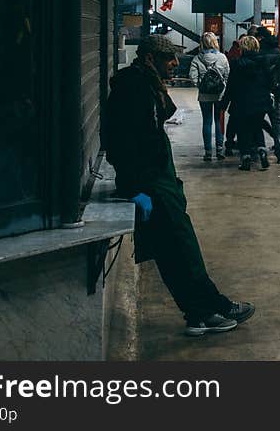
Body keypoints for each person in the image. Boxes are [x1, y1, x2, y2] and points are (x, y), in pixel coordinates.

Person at [102, 34, 254, 336]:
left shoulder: (146, 84)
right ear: (149, 59)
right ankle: (212, 306)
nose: (174, 63)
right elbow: (119, 143)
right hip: (150, 185)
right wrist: (136, 189)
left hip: (160, 181)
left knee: (171, 250)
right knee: (182, 248)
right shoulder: (133, 89)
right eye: (168, 58)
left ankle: (198, 313)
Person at [224, 35, 272, 171]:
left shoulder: (236, 64)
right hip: (260, 102)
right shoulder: (264, 63)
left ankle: (245, 157)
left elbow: (231, 86)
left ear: (242, 48)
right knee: (257, 126)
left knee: (242, 129)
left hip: (241, 102)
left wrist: (224, 103)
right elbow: (269, 83)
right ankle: (262, 150)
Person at [189, 32, 230, 161]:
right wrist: (222, 86)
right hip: (219, 94)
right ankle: (219, 150)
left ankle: (207, 152)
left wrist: (200, 85)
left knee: (207, 121)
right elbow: (227, 74)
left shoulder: (197, 58)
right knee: (218, 121)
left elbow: (192, 76)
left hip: (204, 95)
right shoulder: (222, 57)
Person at [256, 26, 280, 164]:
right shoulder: (279, 53)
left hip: (261, 93)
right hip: (276, 93)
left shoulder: (259, 54)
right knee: (277, 122)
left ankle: (259, 148)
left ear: (261, 38)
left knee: (257, 121)